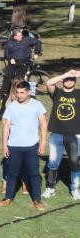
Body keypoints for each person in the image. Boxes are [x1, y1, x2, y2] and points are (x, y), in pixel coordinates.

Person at [0, 81, 47, 210]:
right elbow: (6, 126)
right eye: (17, 92)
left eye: (22, 92)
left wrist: (43, 143)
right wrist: (5, 145)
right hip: (14, 146)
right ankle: (8, 198)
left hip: (31, 146)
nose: (19, 95)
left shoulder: (37, 105)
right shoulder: (11, 106)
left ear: (29, 92)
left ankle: (37, 200)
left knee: (34, 173)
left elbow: (43, 124)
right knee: (12, 173)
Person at [42, 70, 80, 200]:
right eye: (67, 79)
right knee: (52, 163)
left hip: (75, 135)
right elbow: (49, 83)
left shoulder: (78, 93)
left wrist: (77, 74)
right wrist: (65, 74)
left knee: (75, 163)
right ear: (63, 80)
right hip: (56, 134)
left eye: (72, 79)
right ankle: (50, 188)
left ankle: (75, 189)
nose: (69, 81)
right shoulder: (57, 93)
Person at [1, 28, 42, 100]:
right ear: (14, 37)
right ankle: (4, 94)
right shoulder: (9, 43)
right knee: (8, 76)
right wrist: (10, 58)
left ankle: (17, 95)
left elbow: (38, 42)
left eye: (21, 35)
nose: (21, 37)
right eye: (19, 36)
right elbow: (6, 54)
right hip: (13, 63)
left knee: (18, 79)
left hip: (24, 63)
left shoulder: (27, 39)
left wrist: (37, 52)